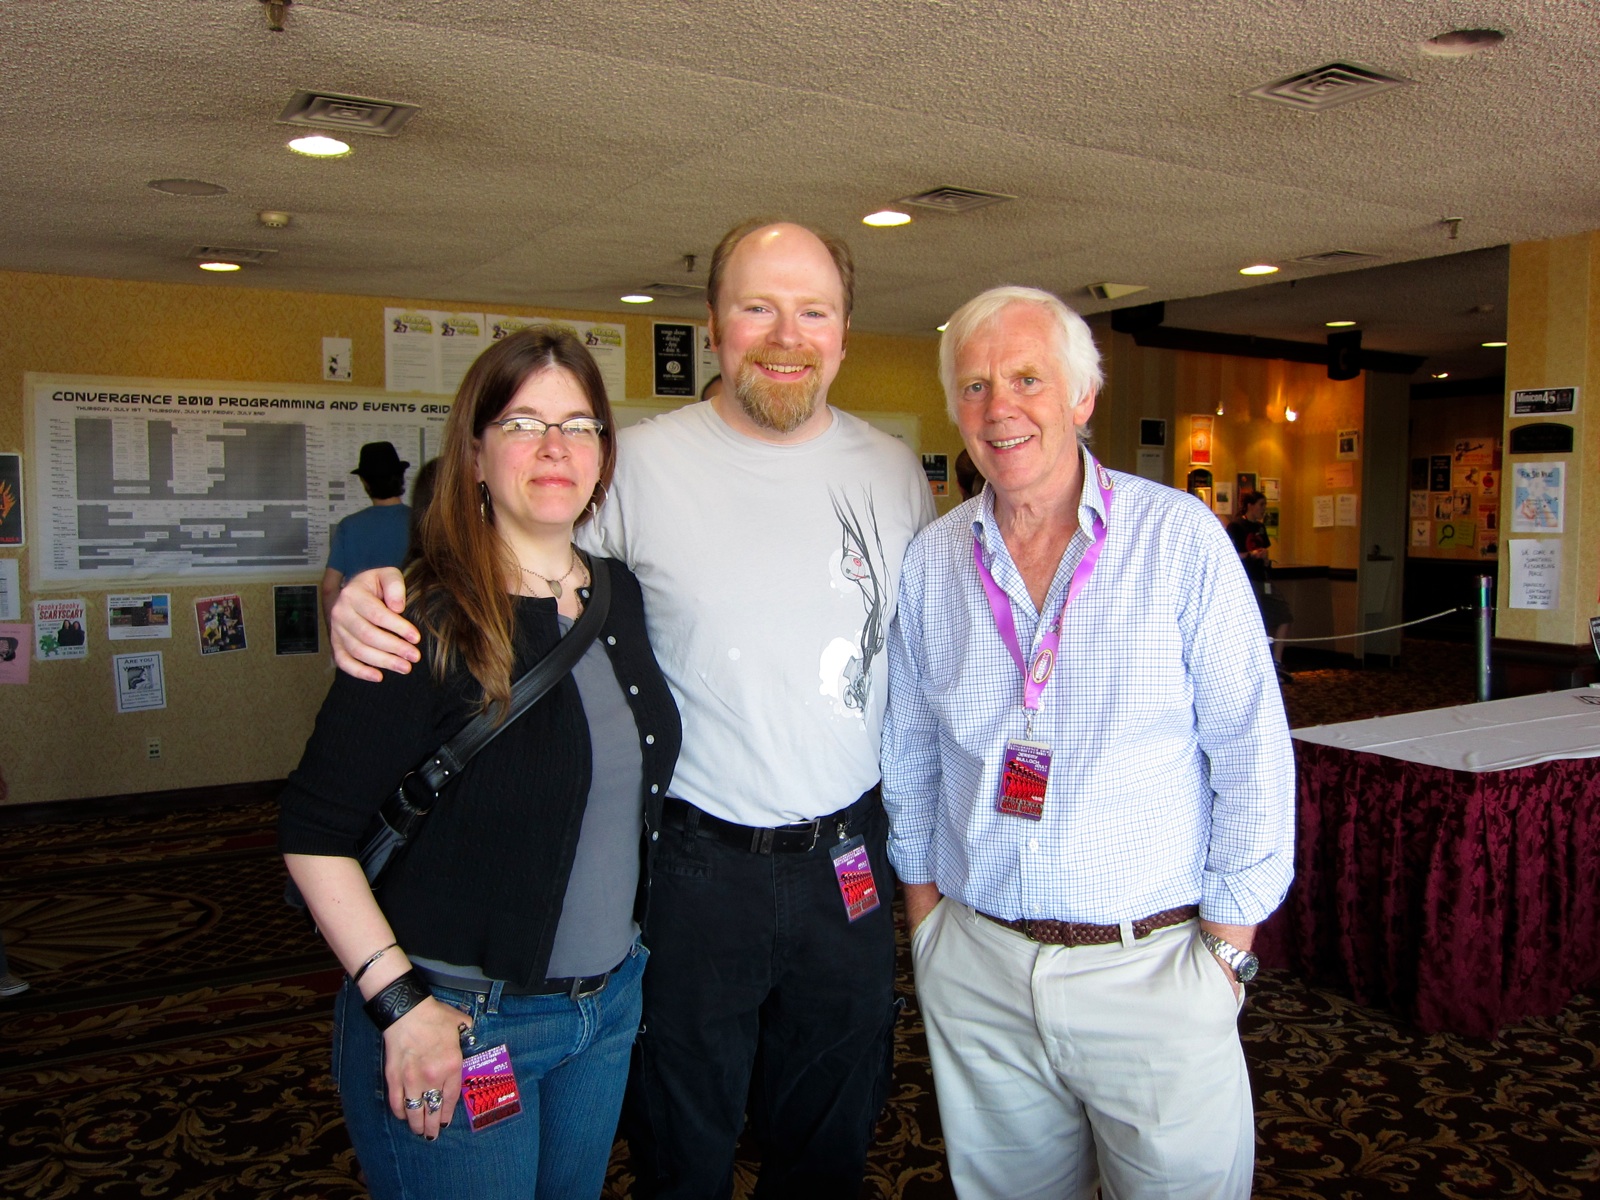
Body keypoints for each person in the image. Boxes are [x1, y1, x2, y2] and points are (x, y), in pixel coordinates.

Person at [327, 219, 935, 1198]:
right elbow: (514, 537)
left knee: (834, 1125)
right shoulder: (639, 464)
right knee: (681, 1134)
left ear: (845, 332)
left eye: (812, 311)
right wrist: (379, 589)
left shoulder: (893, 473)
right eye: (757, 307)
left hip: (849, 866)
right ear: (712, 326)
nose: (786, 333)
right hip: (697, 866)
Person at [882, 286, 1295, 1199]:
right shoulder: (934, 558)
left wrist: (1224, 958)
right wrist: (929, 928)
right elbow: (909, 752)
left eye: (1029, 378)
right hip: (980, 967)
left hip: (1152, 970)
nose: (1001, 407)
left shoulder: (1178, 540)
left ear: (1082, 397)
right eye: (977, 385)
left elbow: (1252, 753)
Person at [279, 327, 681, 1200]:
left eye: (578, 425)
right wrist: (398, 1004)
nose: (552, 447)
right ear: (474, 453)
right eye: (522, 422)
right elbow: (312, 833)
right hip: (457, 1021)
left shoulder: (619, 592)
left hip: (604, 1009)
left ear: (603, 455)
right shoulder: (419, 616)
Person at [322, 441, 412, 628]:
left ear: (365, 482)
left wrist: (336, 637)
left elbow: (329, 588)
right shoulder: (422, 522)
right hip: (411, 630)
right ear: (401, 476)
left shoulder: (348, 526)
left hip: (362, 633)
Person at [1227, 490, 1294, 682]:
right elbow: (1232, 556)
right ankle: (1258, 666)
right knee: (1257, 622)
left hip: (1263, 577)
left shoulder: (1261, 528)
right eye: (1261, 505)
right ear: (1250, 505)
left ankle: (1276, 662)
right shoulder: (1235, 527)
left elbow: (1264, 552)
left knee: (1285, 615)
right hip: (1247, 580)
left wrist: (1264, 558)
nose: (1264, 509)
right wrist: (1251, 555)